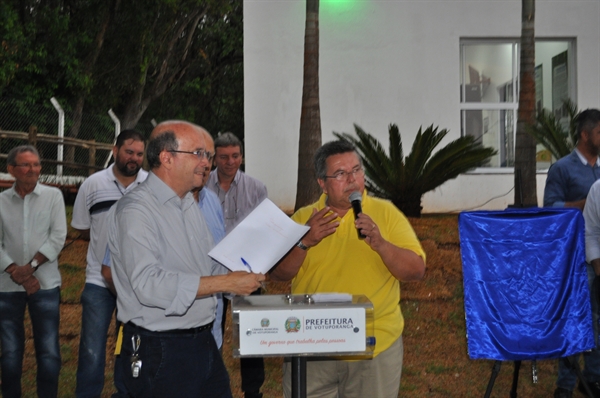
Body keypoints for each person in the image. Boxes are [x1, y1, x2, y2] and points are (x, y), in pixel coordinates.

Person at [107, 121, 265, 396]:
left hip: (202, 344)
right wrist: (225, 282)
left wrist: (253, 266)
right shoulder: (135, 210)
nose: (207, 163)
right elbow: (148, 284)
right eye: (198, 154)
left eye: (208, 155)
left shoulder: (189, 204)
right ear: (167, 158)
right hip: (160, 348)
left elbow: (210, 264)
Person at [271, 140, 426, 398]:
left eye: (357, 170)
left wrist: (381, 244)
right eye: (341, 174)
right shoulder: (303, 218)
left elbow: (416, 271)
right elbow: (278, 274)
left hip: (373, 347)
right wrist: (304, 241)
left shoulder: (386, 213)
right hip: (311, 345)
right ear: (322, 182)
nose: (352, 180)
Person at [72, 129, 147, 397]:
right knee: (92, 349)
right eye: (129, 152)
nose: (134, 158)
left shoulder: (151, 185)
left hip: (139, 284)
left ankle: (125, 393)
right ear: (115, 151)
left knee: (133, 347)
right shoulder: (93, 184)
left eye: (139, 154)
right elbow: (83, 227)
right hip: (98, 282)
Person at [0, 145, 67, 398]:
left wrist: (30, 269)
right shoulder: (1, 202)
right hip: (6, 287)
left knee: (49, 352)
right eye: (26, 165)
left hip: (46, 284)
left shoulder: (53, 197)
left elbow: (58, 236)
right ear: (11, 170)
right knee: (10, 353)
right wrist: (13, 270)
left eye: (37, 164)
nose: (33, 169)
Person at [206, 132, 268, 398]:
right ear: (214, 158)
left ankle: (252, 391)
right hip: (210, 272)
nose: (230, 162)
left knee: (252, 335)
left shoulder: (256, 187)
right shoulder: (201, 184)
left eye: (235, 156)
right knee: (209, 332)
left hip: (247, 273)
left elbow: (266, 229)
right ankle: (209, 384)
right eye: (224, 157)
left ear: (241, 156)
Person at [544, 108, 600, 398]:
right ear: (585, 134)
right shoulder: (562, 169)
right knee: (575, 318)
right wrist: (587, 201)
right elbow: (550, 209)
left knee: (598, 319)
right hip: (574, 256)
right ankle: (565, 385)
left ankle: (592, 379)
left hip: (599, 256)